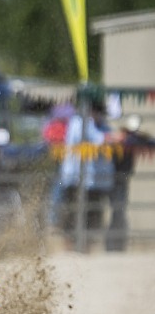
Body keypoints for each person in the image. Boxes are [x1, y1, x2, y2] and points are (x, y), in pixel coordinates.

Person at [57, 99, 119, 248]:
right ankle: (71, 244)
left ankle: (87, 244)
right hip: (76, 178)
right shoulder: (79, 123)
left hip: (95, 181)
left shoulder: (101, 125)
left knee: (93, 213)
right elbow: (96, 139)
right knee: (74, 211)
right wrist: (114, 137)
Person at [106, 114, 155, 251]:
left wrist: (140, 137)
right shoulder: (118, 140)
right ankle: (113, 245)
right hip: (114, 180)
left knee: (119, 211)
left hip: (121, 180)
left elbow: (148, 141)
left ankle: (116, 245)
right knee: (117, 210)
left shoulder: (132, 139)